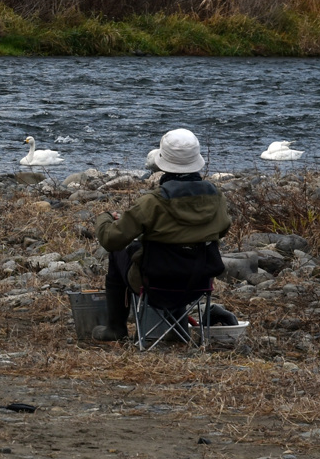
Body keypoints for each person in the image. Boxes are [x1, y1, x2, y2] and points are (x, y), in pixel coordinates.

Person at [93, 128, 232, 341]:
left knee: (120, 252)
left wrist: (104, 218)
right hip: (198, 284)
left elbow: (112, 239)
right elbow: (222, 229)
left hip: (154, 285)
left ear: (162, 161)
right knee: (181, 256)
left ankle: (115, 328)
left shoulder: (152, 202)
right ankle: (178, 329)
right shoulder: (217, 197)